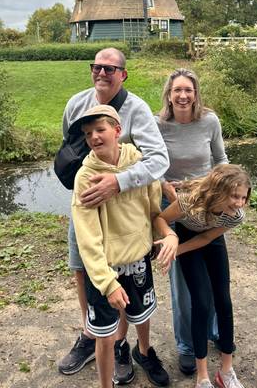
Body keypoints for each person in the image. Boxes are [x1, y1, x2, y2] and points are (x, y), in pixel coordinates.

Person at [57, 47, 169, 384]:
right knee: (82, 266)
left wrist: (118, 183)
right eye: (97, 67)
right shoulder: (77, 103)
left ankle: (120, 344)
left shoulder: (136, 110)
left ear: (123, 74)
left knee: (124, 271)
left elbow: (159, 159)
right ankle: (91, 334)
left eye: (110, 68)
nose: (102, 73)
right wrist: (83, 180)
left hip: (125, 209)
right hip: (88, 200)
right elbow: (69, 143)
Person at [71, 104, 173, 388]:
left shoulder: (140, 164)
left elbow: (154, 213)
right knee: (104, 333)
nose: (94, 137)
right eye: (88, 133)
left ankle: (143, 352)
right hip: (106, 269)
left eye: (100, 130)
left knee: (142, 315)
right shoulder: (85, 177)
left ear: (117, 131)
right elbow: (87, 238)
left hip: (138, 260)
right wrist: (106, 282)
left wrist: (168, 235)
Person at [155, 68, 228, 375]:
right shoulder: (157, 124)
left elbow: (221, 160)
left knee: (212, 273)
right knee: (182, 281)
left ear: (196, 94)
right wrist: (163, 184)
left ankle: (211, 328)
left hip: (205, 203)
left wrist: (219, 187)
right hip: (171, 204)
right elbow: (150, 162)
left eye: (189, 90)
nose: (183, 96)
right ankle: (185, 345)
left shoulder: (210, 121)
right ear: (168, 95)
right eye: (177, 91)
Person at [155, 164, 251, 388]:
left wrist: (177, 252)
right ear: (219, 191)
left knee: (224, 302)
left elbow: (206, 239)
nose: (239, 203)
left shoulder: (235, 216)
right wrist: (172, 240)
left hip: (209, 241)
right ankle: (203, 377)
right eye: (234, 196)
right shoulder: (190, 201)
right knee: (201, 303)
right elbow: (159, 218)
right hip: (186, 236)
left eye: (243, 198)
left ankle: (226, 372)